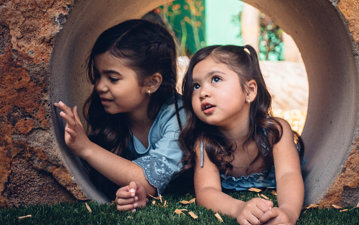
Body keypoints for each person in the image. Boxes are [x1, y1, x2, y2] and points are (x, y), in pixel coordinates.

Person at [54, 19, 185, 212]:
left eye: (113, 78)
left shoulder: (178, 115)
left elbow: (149, 181)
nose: (99, 86)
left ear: (152, 83)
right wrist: (130, 193)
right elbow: (133, 185)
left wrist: (86, 148)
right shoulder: (111, 115)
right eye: (98, 75)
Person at [179, 45, 304, 225]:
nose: (203, 93)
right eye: (196, 86)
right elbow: (207, 191)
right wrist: (239, 209)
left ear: (249, 91)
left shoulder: (274, 132)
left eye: (215, 79)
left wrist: (288, 213)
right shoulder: (205, 142)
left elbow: (288, 175)